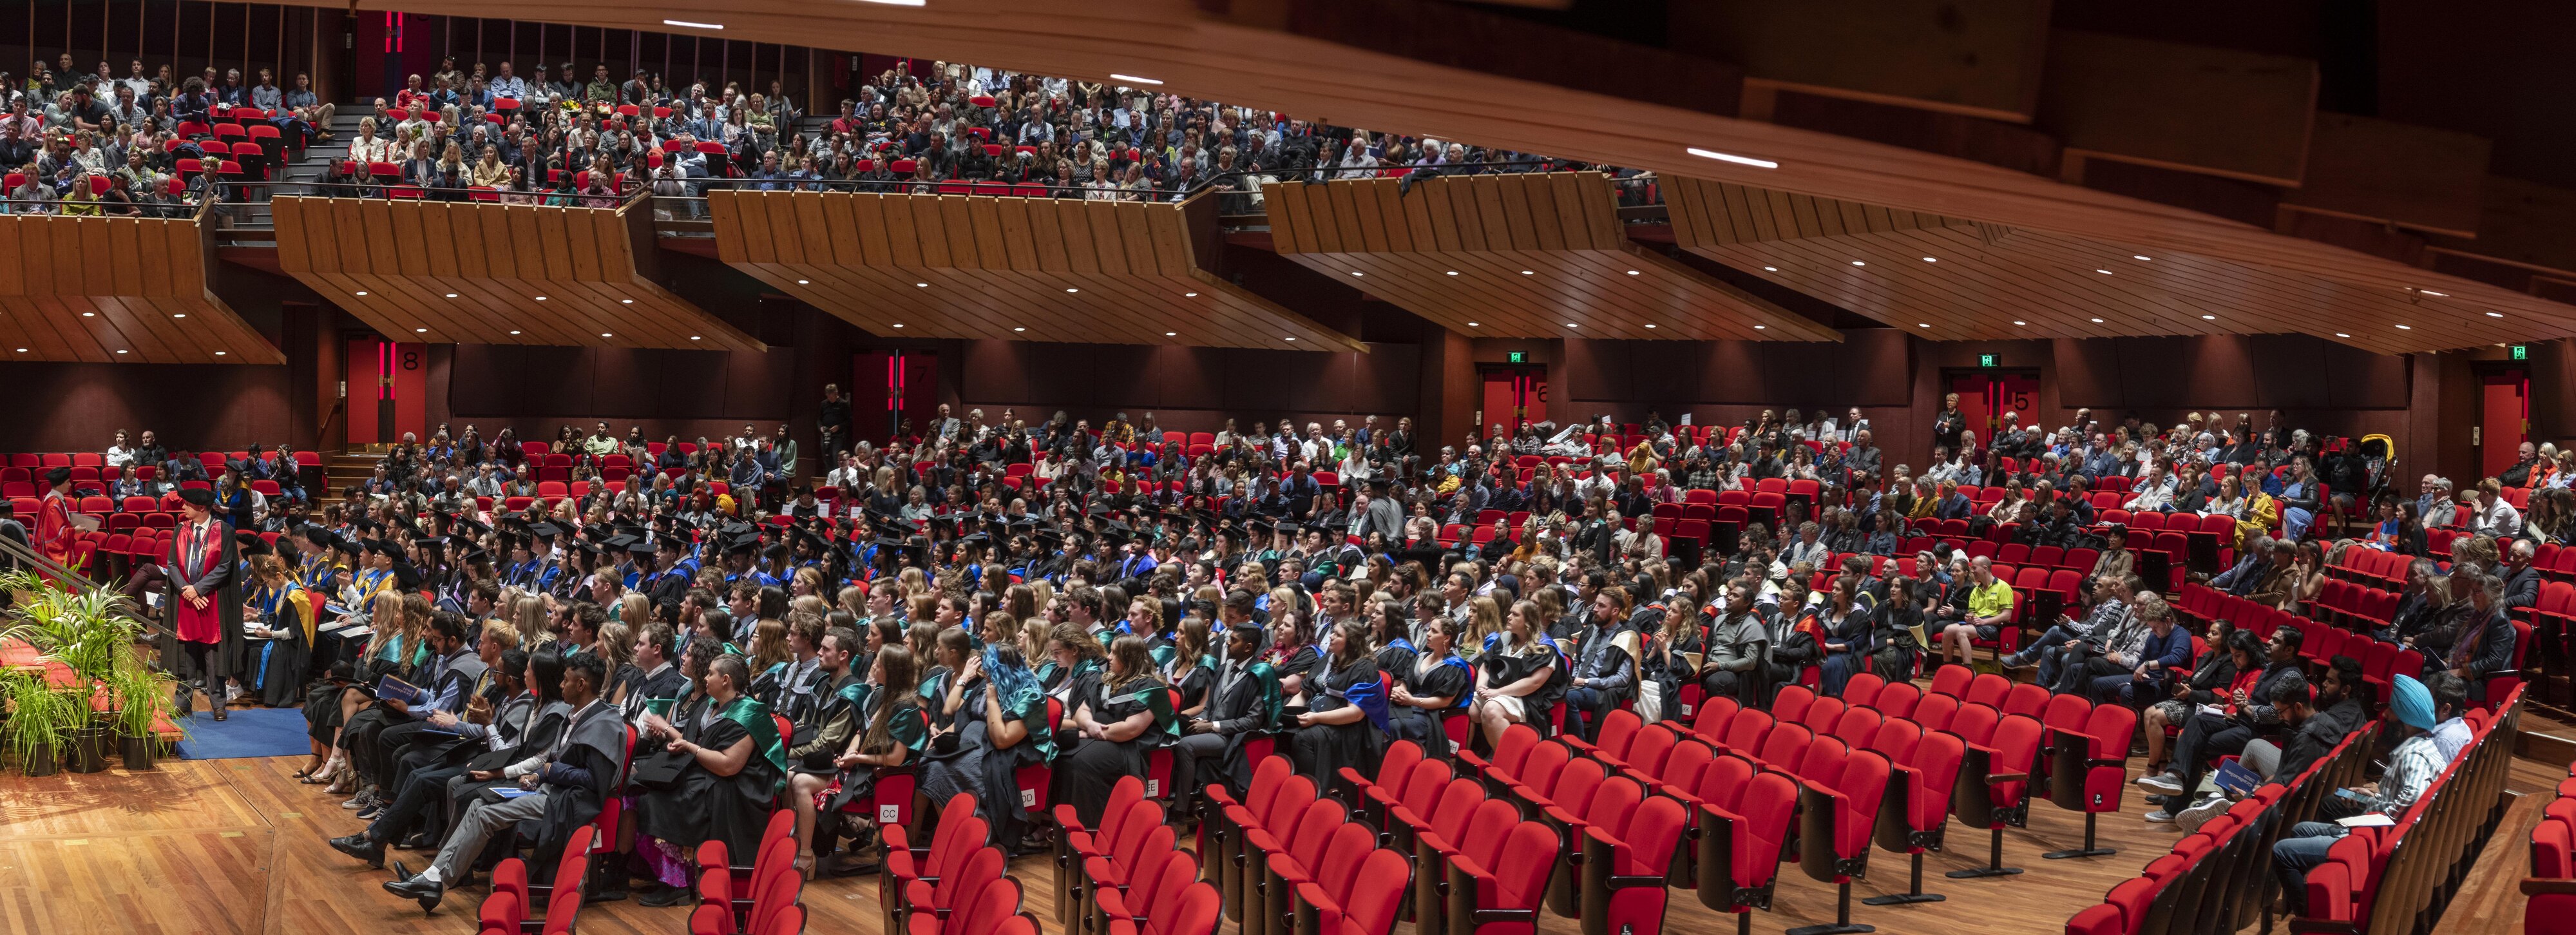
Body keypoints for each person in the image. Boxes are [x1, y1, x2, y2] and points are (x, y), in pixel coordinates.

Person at [382, 651, 624, 913]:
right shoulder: (575, 714)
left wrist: (549, 771)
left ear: (581, 685)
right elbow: (553, 762)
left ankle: (436, 883)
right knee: (477, 804)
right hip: (546, 789)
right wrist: (539, 774)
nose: (561, 685)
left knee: (486, 815)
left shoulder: (604, 722)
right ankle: (433, 875)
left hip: (567, 802)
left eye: (566, 681)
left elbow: (593, 781)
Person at [2269, 675, 2454, 915]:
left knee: (2282, 851)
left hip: (2374, 839)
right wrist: (2372, 799)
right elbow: (2404, 798)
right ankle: (2318, 893)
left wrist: (2378, 813)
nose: (2385, 716)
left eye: (2391, 710)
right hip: (2375, 830)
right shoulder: (2424, 746)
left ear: (2405, 719)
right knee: (2301, 829)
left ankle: (2315, 920)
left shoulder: (2414, 755)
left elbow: (2413, 797)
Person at [633, 653, 788, 907]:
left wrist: (689, 748)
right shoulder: (710, 705)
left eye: (711, 674)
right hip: (707, 772)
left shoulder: (750, 713)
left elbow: (729, 766)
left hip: (736, 788)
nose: (705, 678)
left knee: (663, 800)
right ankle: (662, 875)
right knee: (643, 786)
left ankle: (679, 883)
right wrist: (678, 740)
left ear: (726, 680)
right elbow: (696, 743)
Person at [819, 645, 928, 876]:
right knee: (795, 776)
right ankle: (816, 849)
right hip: (860, 764)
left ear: (892, 671)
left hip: (878, 775)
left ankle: (807, 858)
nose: (874, 666)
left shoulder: (907, 707)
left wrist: (858, 759)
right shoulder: (879, 694)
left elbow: (897, 759)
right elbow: (861, 733)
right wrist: (851, 751)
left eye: (879, 663)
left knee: (802, 784)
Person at [1059, 635, 1176, 827]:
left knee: (1081, 762)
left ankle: (1095, 828)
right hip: (1098, 739)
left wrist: (1093, 731)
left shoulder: (1150, 687)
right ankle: (1065, 826)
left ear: (1130, 657)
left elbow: (1132, 729)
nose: (1109, 657)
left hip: (1127, 748)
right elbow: (1082, 711)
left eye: (1115, 653)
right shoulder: (1106, 680)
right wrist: (1089, 725)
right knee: (1062, 754)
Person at [1170, 619, 1281, 820]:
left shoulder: (1260, 673)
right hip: (1211, 729)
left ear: (1248, 648)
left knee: (1186, 745)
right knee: (1173, 732)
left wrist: (1212, 726)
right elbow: (1209, 707)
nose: (1228, 643)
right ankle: (1184, 795)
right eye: (1229, 639)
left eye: (1234, 641)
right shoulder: (1223, 669)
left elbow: (1253, 721)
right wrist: (1201, 720)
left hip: (1233, 737)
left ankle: (1180, 809)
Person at [164, 487, 243, 720]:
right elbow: (172, 565)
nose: (183, 507)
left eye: (187, 504)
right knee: (186, 654)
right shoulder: (181, 529)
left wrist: (198, 589)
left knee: (213, 656)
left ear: (201, 508)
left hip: (212, 602)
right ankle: (183, 702)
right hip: (186, 603)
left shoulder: (224, 531)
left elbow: (225, 566)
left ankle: (218, 704)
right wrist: (188, 591)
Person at [1288, 619, 1381, 784]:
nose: (1331, 637)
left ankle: (1309, 788)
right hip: (1312, 714)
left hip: (1343, 727)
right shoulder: (1328, 659)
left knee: (1303, 738)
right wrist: (1286, 713)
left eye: (1337, 635)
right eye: (1333, 632)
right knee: (1281, 730)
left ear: (1351, 641)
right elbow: (1304, 694)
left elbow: (1356, 714)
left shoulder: (1364, 668)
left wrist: (1316, 718)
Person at [1468, 599, 1559, 747]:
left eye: (1515, 614)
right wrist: (1481, 686)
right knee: (1468, 706)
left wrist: (1497, 693)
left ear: (1528, 620)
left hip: (1528, 698)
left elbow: (1534, 683)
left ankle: (1508, 762)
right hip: (1496, 692)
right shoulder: (1504, 639)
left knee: (1492, 709)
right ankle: (1469, 757)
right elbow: (1486, 667)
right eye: (1510, 613)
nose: (1509, 617)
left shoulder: (1544, 647)